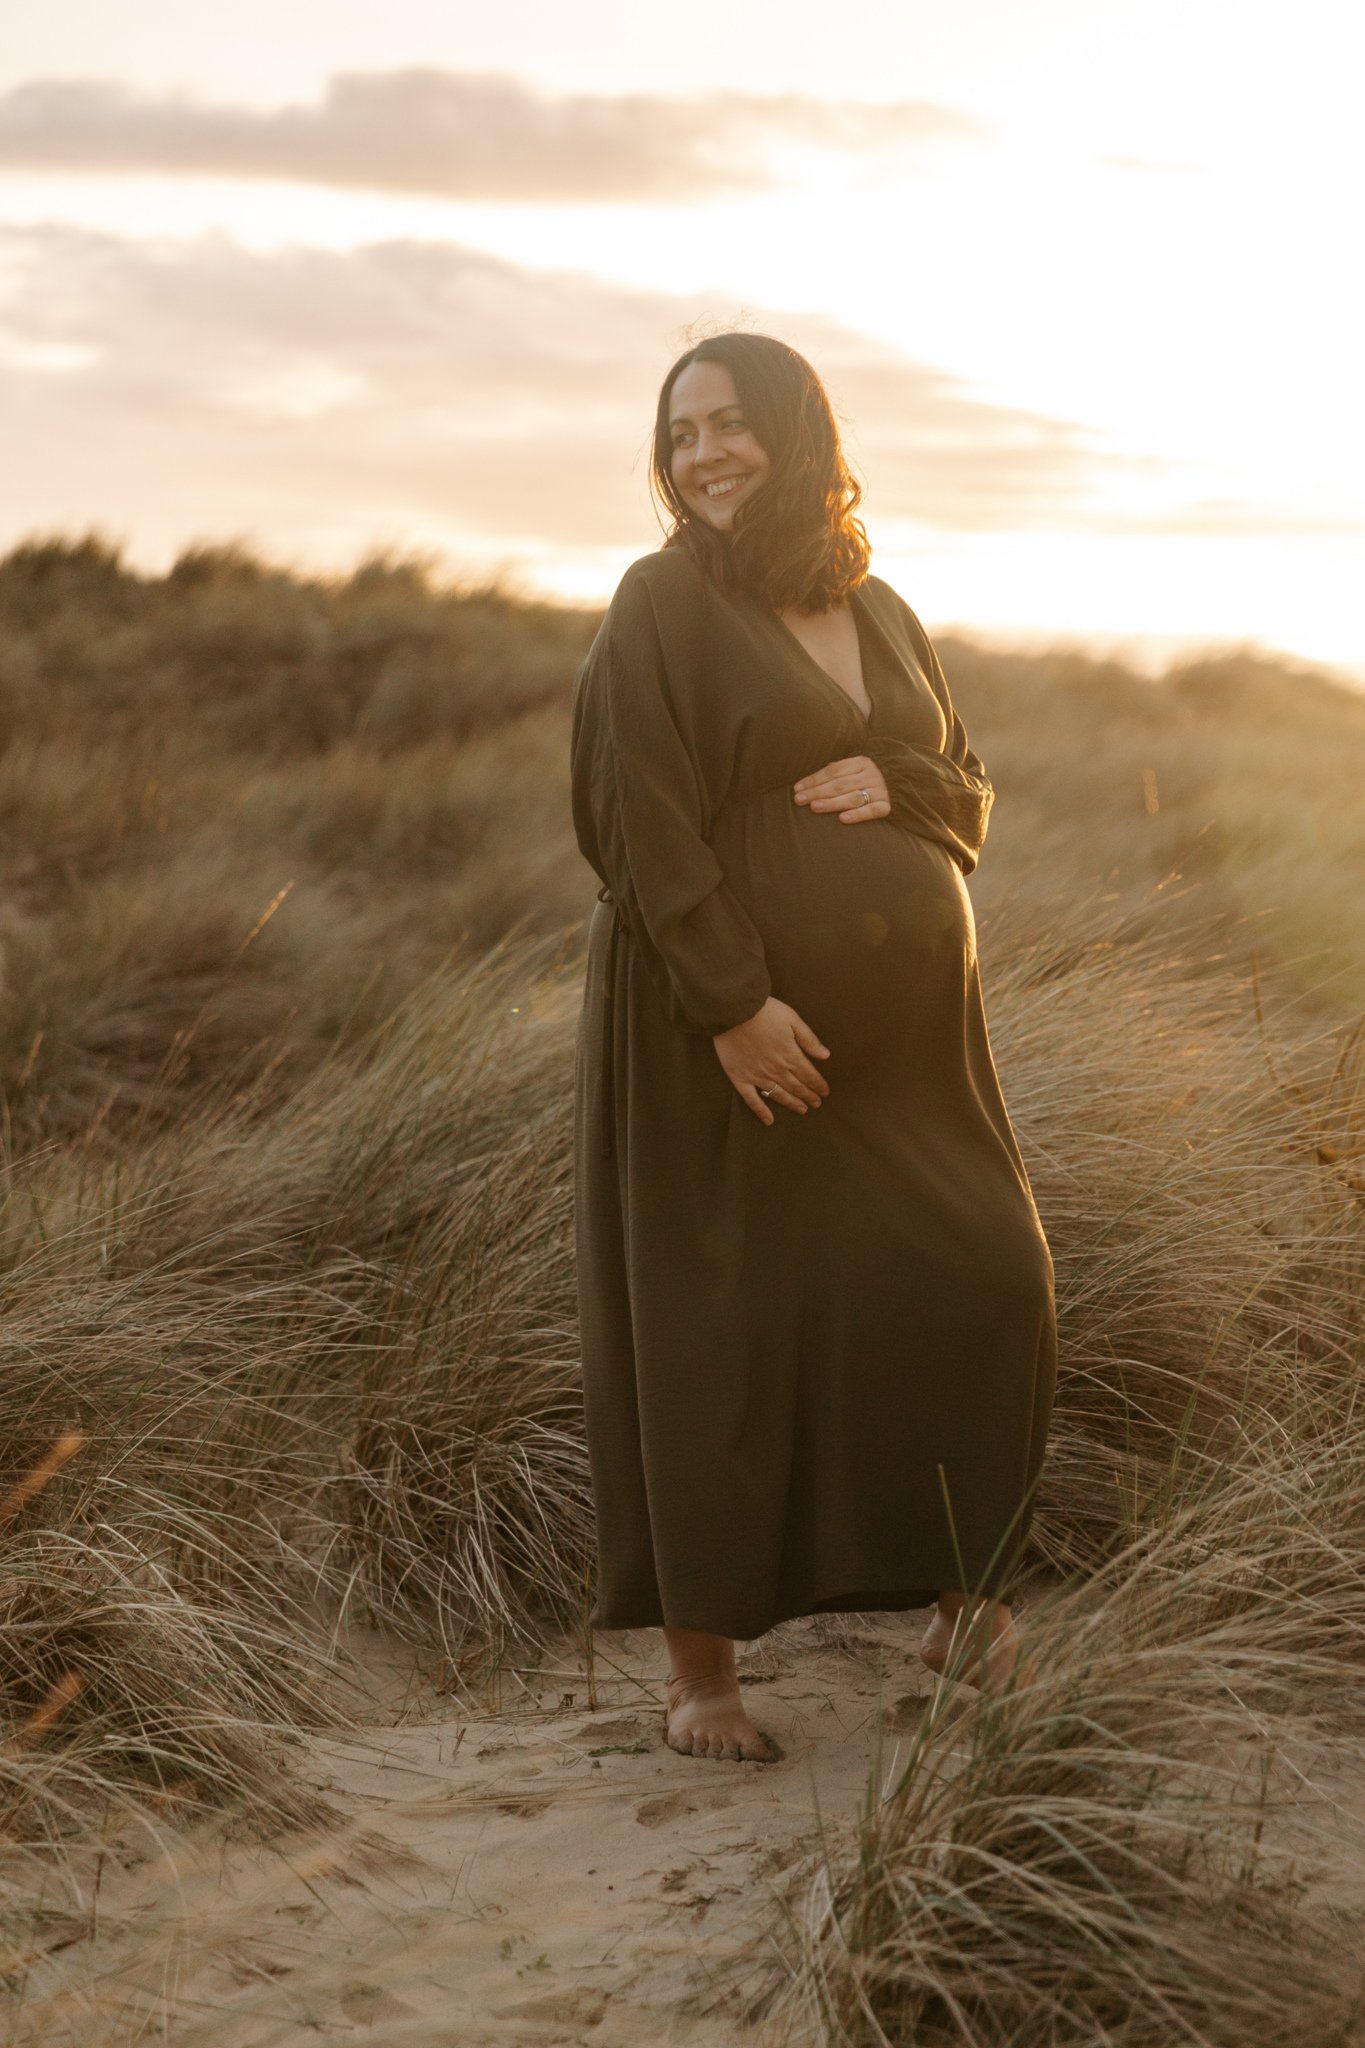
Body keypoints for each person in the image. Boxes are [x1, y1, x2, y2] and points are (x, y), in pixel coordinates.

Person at [569, 331, 1057, 1763]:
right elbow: (632, 820)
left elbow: (963, 784)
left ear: (796, 429)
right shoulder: (656, 602)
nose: (702, 454)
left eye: (729, 424)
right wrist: (728, 1003)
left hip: (911, 1051)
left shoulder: (880, 606)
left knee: (986, 1275)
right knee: (719, 1324)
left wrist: (898, 779)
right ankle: (701, 1679)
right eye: (679, 435)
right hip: (710, 1027)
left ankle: (963, 1607)